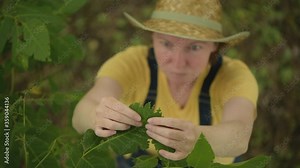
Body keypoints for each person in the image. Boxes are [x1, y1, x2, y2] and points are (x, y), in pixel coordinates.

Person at [72, 0, 258, 165]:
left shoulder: (233, 75)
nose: (178, 63)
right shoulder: (133, 63)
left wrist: (197, 139)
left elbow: (239, 135)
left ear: (214, 46)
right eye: (167, 44)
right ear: (152, 37)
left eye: (194, 47)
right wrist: (96, 117)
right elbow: (81, 112)